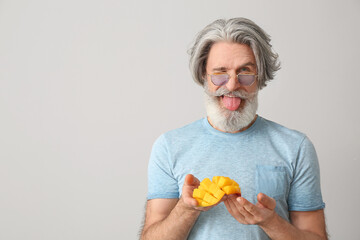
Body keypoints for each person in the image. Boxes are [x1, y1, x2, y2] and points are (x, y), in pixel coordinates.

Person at [140, 18, 327, 240]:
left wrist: (271, 221)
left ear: (260, 77)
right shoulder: (169, 146)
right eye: (220, 73)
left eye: (245, 72)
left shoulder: (296, 147)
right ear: (203, 75)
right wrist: (186, 209)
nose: (231, 85)